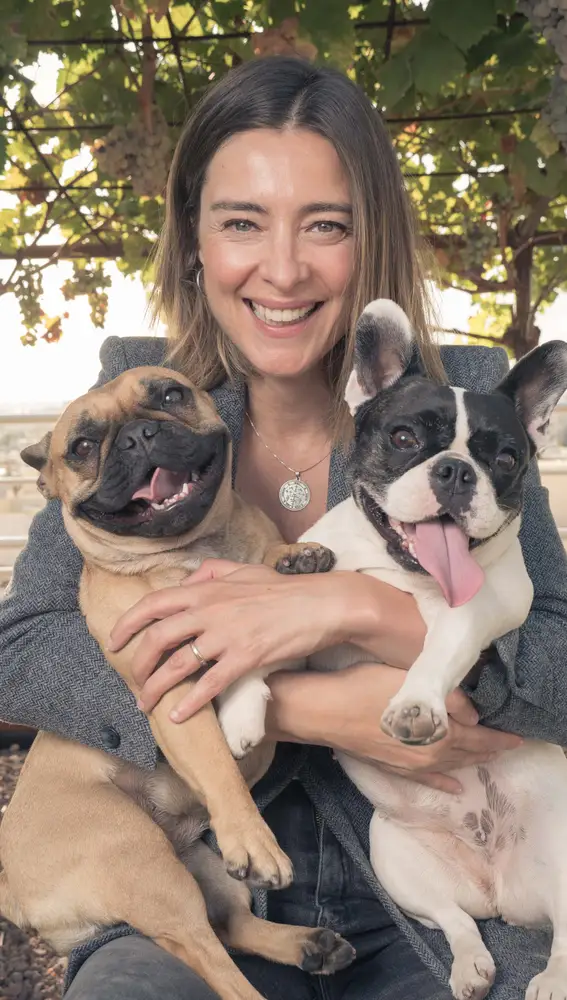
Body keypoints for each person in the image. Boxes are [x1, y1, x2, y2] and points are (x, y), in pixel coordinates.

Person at [1, 57, 566, 1000]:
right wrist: (305, 708)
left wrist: (350, 610)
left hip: (447, 880)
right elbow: (22, 650)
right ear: (192, 242)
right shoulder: (132, 398)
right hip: (192, 872)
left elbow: (557, 658)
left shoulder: (466, 407)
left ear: (372, 239)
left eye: (327, 226)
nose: (284, 267)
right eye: (241, 223)